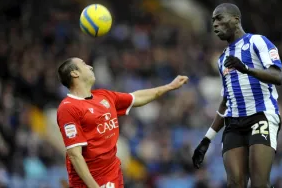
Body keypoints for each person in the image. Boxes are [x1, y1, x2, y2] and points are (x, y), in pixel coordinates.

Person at [56, 57, 188, 188]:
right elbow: (74, 155)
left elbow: (137, 97)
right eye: (84, 64)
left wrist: (169, 86)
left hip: (112, 174)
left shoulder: (103, 96)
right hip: (89, 181)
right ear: (75, 73)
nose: (90, 67)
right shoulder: (68, 107)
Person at [192, 3, 282, 188]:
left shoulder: (258, 42)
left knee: (259, 184)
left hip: (261, 116)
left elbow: (277, 76)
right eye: (212, 21)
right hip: (233, 124)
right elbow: (226, 101)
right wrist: (206, 139)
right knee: (235, 184)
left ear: (236, 19)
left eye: (219, 18)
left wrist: (246, 69)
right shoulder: (222, 59)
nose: (215, 24)